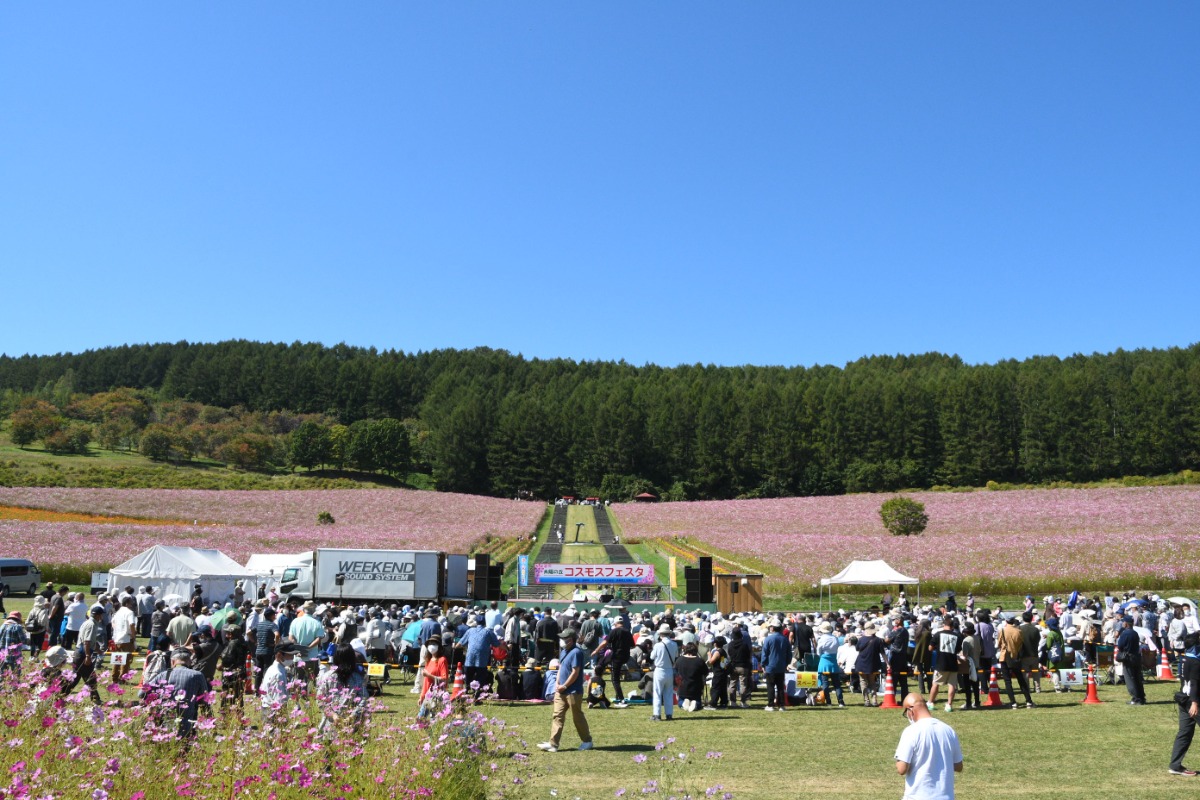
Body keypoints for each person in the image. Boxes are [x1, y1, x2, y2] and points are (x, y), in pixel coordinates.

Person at [897, 692, 963, 799]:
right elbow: (958, 766)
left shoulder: (911, 731)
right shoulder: (948, 730)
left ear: (910, 710)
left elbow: (901, 769)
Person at [537, 628, 594, 752]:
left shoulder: (576, 652)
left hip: (573, 691)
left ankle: (587, 741)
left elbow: (575, 672)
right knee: (557, 716)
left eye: (564, 638)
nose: (562, 640)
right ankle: (553, 744)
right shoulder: (564, 651)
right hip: (561, 690)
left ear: (571, 640)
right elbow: (561, 667)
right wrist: (557, 683)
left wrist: (565, 686)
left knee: (577, 717)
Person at [151, 648, 210, 738]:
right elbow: (204, 700)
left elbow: (142, 693)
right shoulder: (197, 675)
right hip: (188, 724)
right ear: (190, 661)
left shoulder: (163, 675)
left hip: (165, 722)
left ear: (172, 661)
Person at [317, 643, 369, 735]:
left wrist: (333, 715)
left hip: (331, 724)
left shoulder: (328, 676)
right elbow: (364, 699)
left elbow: (320, 699)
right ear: (353, 659)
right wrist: (352, 716)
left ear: (335, 658)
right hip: (352, 725)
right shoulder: (358, 677)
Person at [1169, 630, 1200, 776]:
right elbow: (1194, 683)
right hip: (1192, 701)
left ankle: (1175, 765)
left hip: (1182, 698)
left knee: (1184, 733)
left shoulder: (1184, 659)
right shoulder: (1195, 662)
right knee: (1184, 733)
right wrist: (1195, 703)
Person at [998, 617, 1034, 709]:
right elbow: (1020, 645)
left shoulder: (1002, 630)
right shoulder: (1018, 631)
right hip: (1015, 657)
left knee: (1007, 681)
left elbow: (999, 644)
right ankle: (1028, 701)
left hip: (1004, 657)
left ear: (1006, 621)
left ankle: (1013, 702)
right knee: (1021, 680)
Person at [927, 618, 961, 712]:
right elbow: (958, 650)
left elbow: (930, 648)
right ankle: (949, 705)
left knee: (935, 683)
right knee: (952, 685)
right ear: (953, 626)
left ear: (944, 624)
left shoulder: (938, 634)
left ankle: (930, 702)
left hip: (941, 662)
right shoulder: (957, 636)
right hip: (953, 663)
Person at [649, 624, 679, 721]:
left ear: (661, 634)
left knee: (657, 693)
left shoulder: (658, 645)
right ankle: (669, 714)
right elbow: (676, 656)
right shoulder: (674, 644)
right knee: (669, 693)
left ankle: (657, 714)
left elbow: (651, 657)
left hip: (660, 669)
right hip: (669, 669)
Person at [1116, 615, 1146, 705]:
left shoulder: (1125, 633)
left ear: (1126, 623)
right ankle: (1141, 697)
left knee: (1130, 679)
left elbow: (1120, 645)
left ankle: (1135, 698)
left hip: (1128, 658)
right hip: (1136, 657)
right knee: (1137, 678)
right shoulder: (1135, 633)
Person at [761, 620, 791, 711]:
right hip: (781, 666)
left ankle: (771, 705)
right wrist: (786, 663)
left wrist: (763, 664)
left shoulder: (768, 639)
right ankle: (781, 705)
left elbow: (764, 653)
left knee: (770, 686)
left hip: (770, 666)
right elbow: (789, 654)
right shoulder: (785, 639)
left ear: (772, 628)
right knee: (780, 686)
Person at [815, 621, 845, 707]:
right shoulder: (835, 638)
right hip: (833, 661)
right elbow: (837, 648)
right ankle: (841, 701)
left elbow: (818, 651)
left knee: (825, 684)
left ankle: (828, 701)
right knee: (837, 684)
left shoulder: (822, 639)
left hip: (824, 661)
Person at [856, 624, 887, 707]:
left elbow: (857, 649)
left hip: (861, 663)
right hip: (873, 663)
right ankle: (874, 700)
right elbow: (883, 653)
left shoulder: (861, 639)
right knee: (872, 682)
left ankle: (866, 700)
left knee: (863, 682)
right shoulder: (878, 640)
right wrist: (887, 663)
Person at [110, 596, 138, 684]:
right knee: (126, 660)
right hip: (126, 638)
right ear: (127, 603)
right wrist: (133, 635)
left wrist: (118, 631)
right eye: (130, 603)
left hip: (117, 638)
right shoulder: (129, 612)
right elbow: (132, 624)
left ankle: (114, 678)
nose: (131, 605)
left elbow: (113, 623)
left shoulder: (117, 612)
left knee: (117, 659)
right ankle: (122, 678)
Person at [675, 641, 708, 712]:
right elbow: (706, 672)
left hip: (682, 687)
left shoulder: (679, 660)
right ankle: (695, 703)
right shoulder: (699, 661)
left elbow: (675, 671)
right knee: (698, 701)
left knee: (680, 701)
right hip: (696, 688)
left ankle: (684, 703)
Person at [885, 616, 911, 700]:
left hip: (895, 656)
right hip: (903, 656)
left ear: (899, 621)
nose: (894, 621)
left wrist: (885, 637)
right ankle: (904, 698)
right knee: (903, 680)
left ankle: (892, 698)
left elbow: (887, 640)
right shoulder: (906, 631)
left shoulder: (896, 631)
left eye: (895, 619)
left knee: (894, 679)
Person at [727, 627, 753, 709]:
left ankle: (733, 701)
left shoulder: (730, 644)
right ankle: (743, 701)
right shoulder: (744, 644)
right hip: (743, 666)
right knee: (743, 684)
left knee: (732, 683)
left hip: (733, 666)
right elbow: (748, 655)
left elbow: (729, 655)